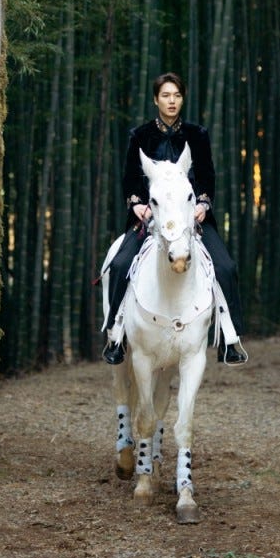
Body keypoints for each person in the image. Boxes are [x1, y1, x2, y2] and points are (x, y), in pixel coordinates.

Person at [102, 71, 248, 367]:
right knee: (118, 264)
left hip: (191, 217)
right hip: (151, 217)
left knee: (226, 267)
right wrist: (137, 205)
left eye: (177, 95)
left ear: (183, 99)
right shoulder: (139, 135)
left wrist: (203, 203)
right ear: (156, 99)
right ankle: (116, 335)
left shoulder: (198, 135)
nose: (172, 101)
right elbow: (130, 179)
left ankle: (229, 338)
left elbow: (207, 176)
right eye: (166, 95)